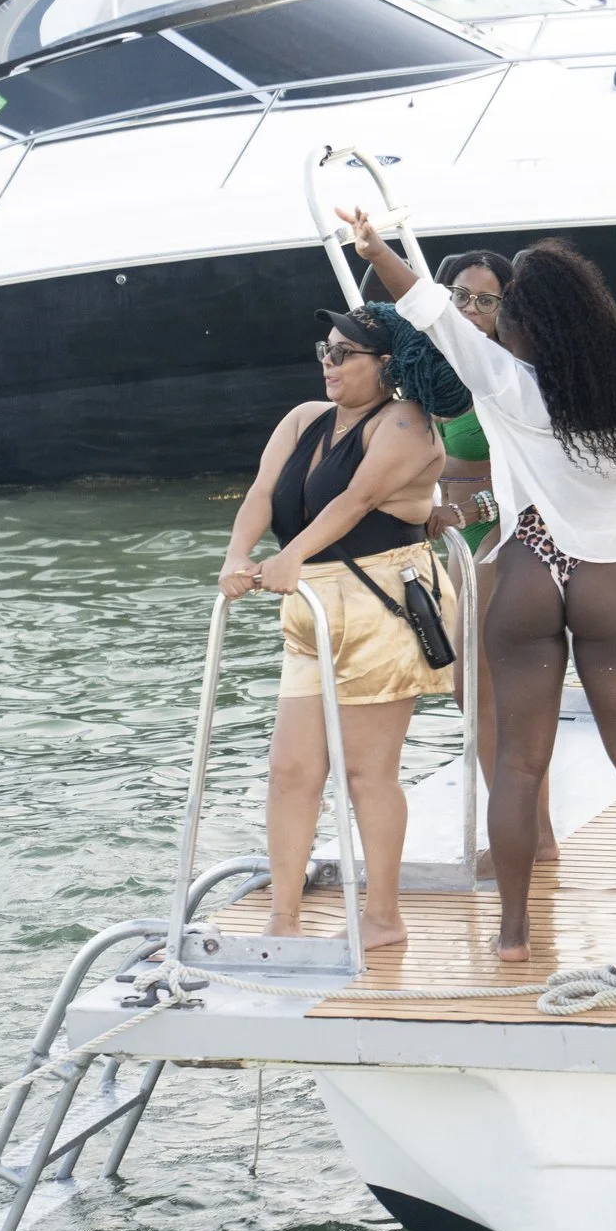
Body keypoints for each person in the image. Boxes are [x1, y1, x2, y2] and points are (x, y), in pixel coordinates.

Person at [341, 141, 616, 960]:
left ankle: (514, 933)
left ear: (529, 323)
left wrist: (375, 247)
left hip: (525, 566)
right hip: (608, 582)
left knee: (518, 764)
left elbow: (429, 309)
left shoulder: (509, 384)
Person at [220, 305, 450, 952]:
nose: (330, 361)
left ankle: (383, 915)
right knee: (291, 766)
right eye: (326, 348)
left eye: (346, 352)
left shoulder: (406, 423)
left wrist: (291, 554)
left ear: (387, 365)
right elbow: (262, 494)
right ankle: (282, 916)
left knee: (366, 771)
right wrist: (239, 555)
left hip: (381, 599)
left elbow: (356, 501)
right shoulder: (302, 419)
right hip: (313, 607)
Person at [426, 248, 560, 875]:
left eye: (485, 299)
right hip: (463, 537)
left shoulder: (510, 373)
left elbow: (527, 471)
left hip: (506, 536)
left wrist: (467, 500)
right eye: (461, 297)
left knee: (480, 687)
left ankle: (524, 838)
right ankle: (534, 833)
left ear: (509, 306)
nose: (470, 310)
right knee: (482, 691)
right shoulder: (448, 366)